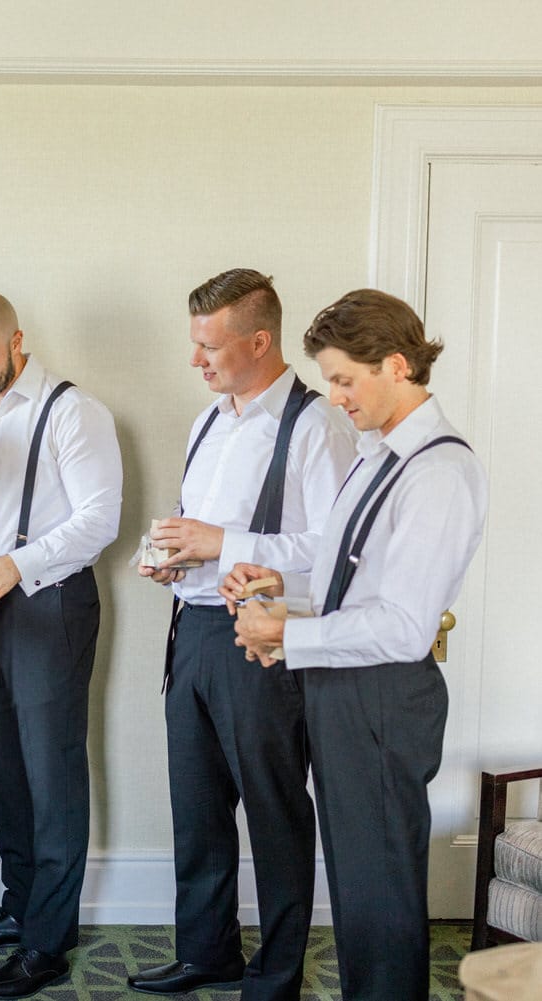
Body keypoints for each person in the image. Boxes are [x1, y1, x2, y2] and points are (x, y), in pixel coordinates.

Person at [229, 289, 487, 1001]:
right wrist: (277, 588)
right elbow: (353, 584)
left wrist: (286, 631)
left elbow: (403, 624)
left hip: (382, 697)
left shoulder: (438, 471)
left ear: (396, 365)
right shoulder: (376, 456)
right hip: (344, 689)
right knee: (358, 890)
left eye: (344, 378)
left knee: (379, 897)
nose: (334, 395)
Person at [127, 270, 356, 999]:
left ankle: (278, 974)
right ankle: (207, 951)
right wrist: (168, 555)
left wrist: (219, 541)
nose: (196, 360)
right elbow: (201, 530)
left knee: (275, 808)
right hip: (190, 632)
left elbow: (333, 553)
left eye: (209, 346)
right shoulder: (207, 423)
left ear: (259, 341)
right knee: (196, 808)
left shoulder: (318, 426)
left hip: (261, 641)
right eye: (194, 344)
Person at [0, 290, 122, 999]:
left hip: (52, 606)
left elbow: (100, 517)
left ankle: (48, 941)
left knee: (52, 772)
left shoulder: (75, 412)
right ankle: (19, 905)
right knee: (3, 765)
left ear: (17, 340)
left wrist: (15, 564)